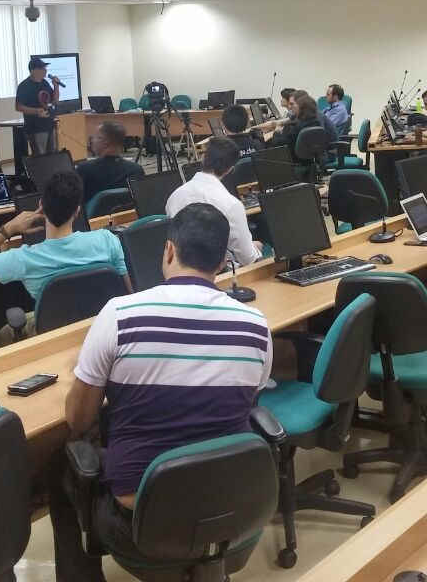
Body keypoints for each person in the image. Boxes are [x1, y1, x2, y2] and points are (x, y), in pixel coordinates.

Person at [48, 202, 272, 580]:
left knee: (62, 471)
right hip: (233, 513)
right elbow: (244, 402)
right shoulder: (255, 325)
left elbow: (78, 420)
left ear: (169, 250)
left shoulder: (119, 315)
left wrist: (83, 371)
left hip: (143, 529)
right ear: (221, 262)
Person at [0, 171, 128, 343]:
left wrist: (9, 228)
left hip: (54, 338)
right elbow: (128, 291)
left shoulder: (24, 259)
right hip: (103, 329)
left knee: (5, 332)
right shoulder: (107, 240)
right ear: (77, 211)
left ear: (41, 205)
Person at [165, 137, 262, 269]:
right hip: (219, 272)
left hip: (181, 269)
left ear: (203, 158)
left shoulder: (174, 197)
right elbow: (248, 259)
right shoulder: (231, 204)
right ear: (230, 169)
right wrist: (256, 248)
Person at [75, 121, 144, 208]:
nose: (92, 140)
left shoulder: (84, 170)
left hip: (94, 220)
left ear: (105, 141)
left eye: (95, 137)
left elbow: (73, 205)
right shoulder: (136, 170)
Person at [16, 57, 59, 155]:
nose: (45, 71)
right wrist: (37, 111)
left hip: (49, 125)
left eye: (45, 68)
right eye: (42, 69)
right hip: (35, 128)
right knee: (40, 157)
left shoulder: (45, 83)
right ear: (33, 70)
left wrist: (56, 86)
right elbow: (18, 107)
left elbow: (55, 101)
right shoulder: (24, 86)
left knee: (52, 156)